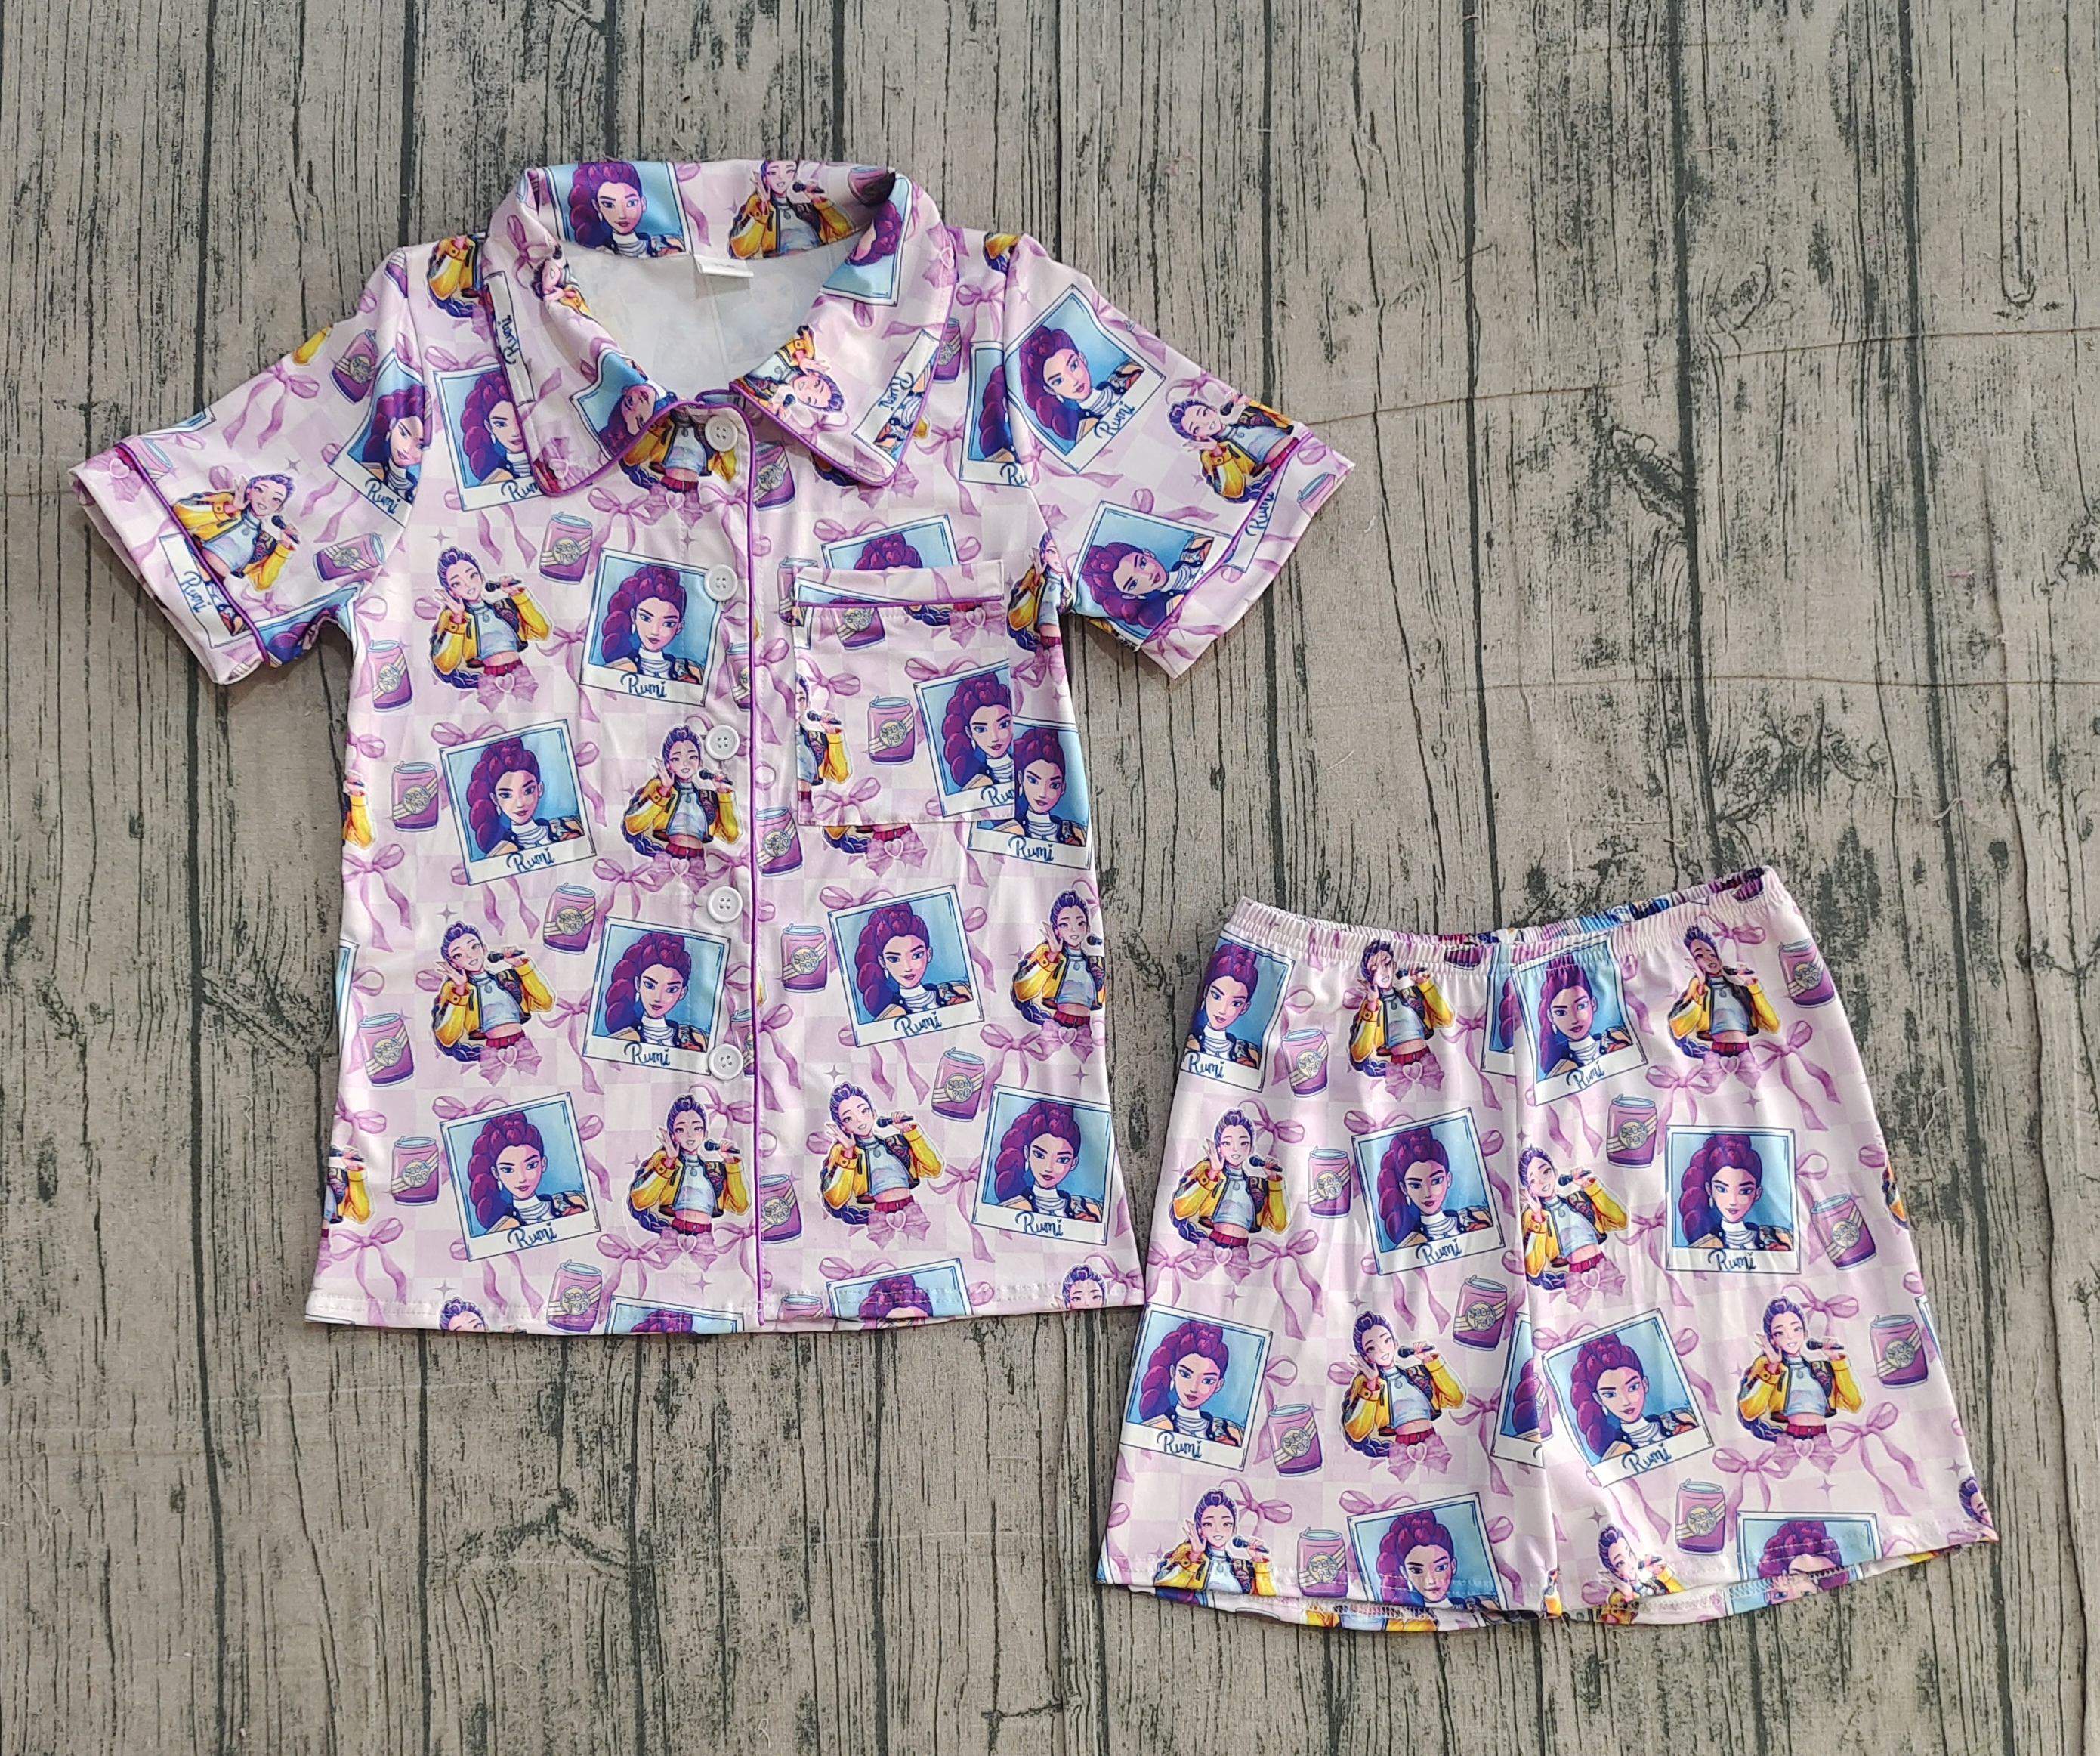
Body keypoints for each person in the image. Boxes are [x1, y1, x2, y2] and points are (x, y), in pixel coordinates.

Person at [1737, 1297, 1861, 1442]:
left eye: (1796, 1329)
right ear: (1772, 1340)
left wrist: (1836, 1359)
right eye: (1780, 1333)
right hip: (1790, 1438)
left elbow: (1854, 1404)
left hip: (1822, 1438)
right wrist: (1772, 1367)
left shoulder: (1820, 1370)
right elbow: (1749, 1412)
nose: (1790, 1337)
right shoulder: (1769, 1367)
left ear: (1805, 1334)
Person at [1339, 1313, 1462, 1455]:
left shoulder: (1417, 1374)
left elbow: (1456, 1399)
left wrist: (1429, 1361)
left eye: (1386, 1340)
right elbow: (1356, 1433)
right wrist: (1371, 1384)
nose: (1382, 1350)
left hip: (1433, 1442)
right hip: (1402, 1449)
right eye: (1371, 1348)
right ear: (1366, 1357)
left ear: (1396, 1343)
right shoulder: (1366, 1384)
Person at [431, 924, 555, 1061]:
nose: (469, 955)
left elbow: (546, 1003)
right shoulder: (455, 990)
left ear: (484, 949)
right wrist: (460, 989)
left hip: (523, 1045)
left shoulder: (507, 979)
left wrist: (520, 965)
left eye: (474, 947)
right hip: (492, 1052)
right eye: (458, 955)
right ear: (453, 964)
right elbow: (447, 1038)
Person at [820, 1082, 940, 1223]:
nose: (859, 1119)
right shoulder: (845, 1153)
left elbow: (934, 1169)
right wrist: (849, 1151)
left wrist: (908, 1131)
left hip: (911, 1210)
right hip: (880, 1216)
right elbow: (835, 1200)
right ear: (844, 1127)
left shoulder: (896, 1143)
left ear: (874, 1113)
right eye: (848, 1118)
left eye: (864, 1111)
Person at [628, 1096, 748, 1235]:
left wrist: (731, 1163)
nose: (690, 1135)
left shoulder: (714, 1170)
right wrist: (668, 1162)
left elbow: (741, 1206)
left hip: (706, 1236)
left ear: (705, 1134)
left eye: (697, 1128)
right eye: (681, 1130)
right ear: (673, 1136)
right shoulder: (665, 1161)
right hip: (677, 1233)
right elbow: (639, 1201)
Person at [1169, 1110, 1286, 1247]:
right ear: (1219, 1148)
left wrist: (1273, 1180)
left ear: (1251, 1149)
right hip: (1213, 1245)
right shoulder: (1208, 1171)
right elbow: (1180, 1210)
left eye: (1243, 1143)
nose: (1235, 1149)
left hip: (1242, 1250)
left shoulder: (1256, 1186)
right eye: (1227, 1143)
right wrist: (1212, 1173)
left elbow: (1279, 1225)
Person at [1669, 926, 1780, 1058]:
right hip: (1718, 1053)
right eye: (1700, 956)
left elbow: (1773, 1025)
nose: (1709, 958)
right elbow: (1679, 1030)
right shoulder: (1698, 992)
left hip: (1746, 1051)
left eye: (1712, 954)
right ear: (1695, 963)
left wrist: (1752, 985)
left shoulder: (1740, 988)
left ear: (1719, 959)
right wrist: (1700, 989)